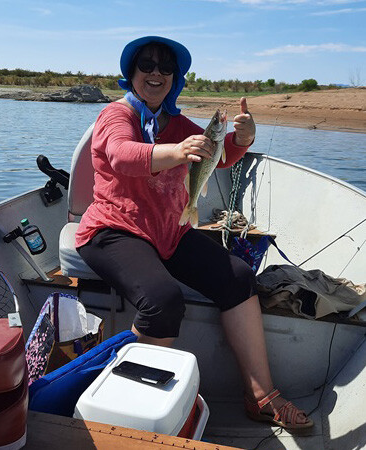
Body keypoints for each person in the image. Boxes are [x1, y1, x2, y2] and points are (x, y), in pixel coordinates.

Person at [76, 36, 313, 430]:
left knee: (238, 277)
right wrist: (177, 151)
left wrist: (244, 138)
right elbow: (121, 154)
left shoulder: (177, 123)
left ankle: (261, 396)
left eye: (165, 67)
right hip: (112, 229)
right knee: (162, 300)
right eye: (146, 65)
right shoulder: (116, 116)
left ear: (176, 77)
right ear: (131, 73)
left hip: (169, 231)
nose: (156, 73)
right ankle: (131, 408)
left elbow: (219, 158)